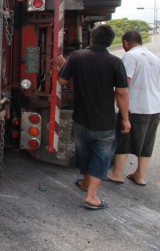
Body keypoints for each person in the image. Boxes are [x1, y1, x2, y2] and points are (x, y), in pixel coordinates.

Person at [56, 24, 130, 211]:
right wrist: (126, 119)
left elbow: (63, 80)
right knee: (101, 158)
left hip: (81, 117)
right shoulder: (115, 62)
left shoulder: (76, 56)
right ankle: (92, 196)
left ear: (91, 38)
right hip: (104, 121)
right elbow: (121, 93)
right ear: (110, 42)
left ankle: (85, 183)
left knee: (85, 153)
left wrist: (62, 65)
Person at [107, 30, 160, 186]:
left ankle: (117, 174)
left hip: (136, 107)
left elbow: (124, 85)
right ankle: (140, 176)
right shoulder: (154, 57)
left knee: (124, 138)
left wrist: (115, 105)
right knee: (147, 142)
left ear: (125, 43)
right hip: (154, 107)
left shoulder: (130, 56)